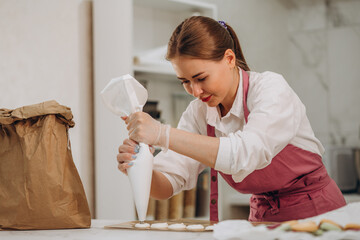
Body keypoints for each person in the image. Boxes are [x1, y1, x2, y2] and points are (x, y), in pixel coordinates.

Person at [117, 16, 346, 222]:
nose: (195, 91)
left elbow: (245, 153)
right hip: (262, 220)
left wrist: (161, 133)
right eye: (184, 81)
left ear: (229, 58)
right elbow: (169, 183)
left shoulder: (270, 89)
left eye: (201, 78)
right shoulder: (198, 113)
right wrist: (139, 169)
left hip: (318, 216)